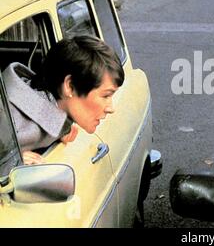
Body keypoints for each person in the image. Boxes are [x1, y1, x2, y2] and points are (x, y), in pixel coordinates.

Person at [2, 35, 124, 165]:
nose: (111, 108)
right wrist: (9, 162)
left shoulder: (51, 110)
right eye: (106, 96)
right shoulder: (8, 119)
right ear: (70, 86)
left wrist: (61, 127)